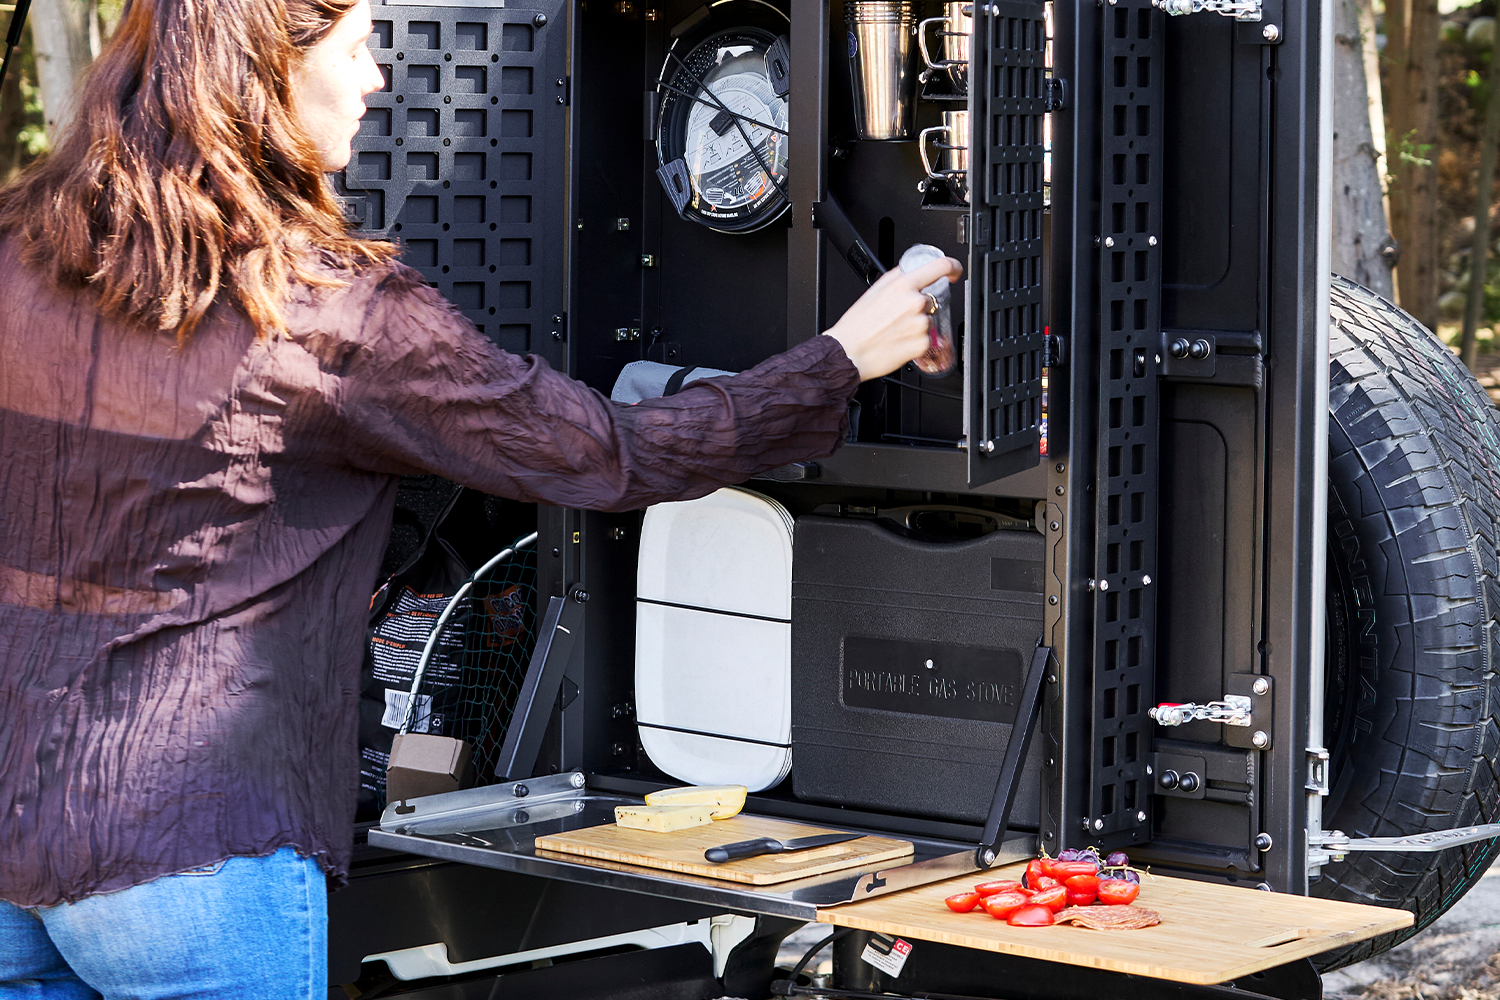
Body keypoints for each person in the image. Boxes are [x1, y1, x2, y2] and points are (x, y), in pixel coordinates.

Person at [0, 0, 960, 996]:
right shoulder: (333, 315)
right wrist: (842, 359)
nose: (380, 78)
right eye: (360, 45)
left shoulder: (22, 254)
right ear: (267, 70)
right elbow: (612, 453)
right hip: (191, 850)